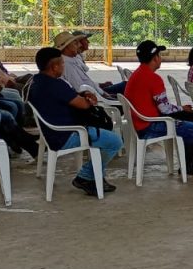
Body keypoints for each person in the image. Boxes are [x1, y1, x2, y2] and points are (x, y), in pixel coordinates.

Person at [28, 47, 123, 196]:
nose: (63, 66)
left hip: (51, 133)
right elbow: (83, 105)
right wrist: (88, 99)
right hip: (66, 135)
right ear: (55, 67)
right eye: (62, 63)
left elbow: (71, 97)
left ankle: (95, 176)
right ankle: (86, 176)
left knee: (103, 136)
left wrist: (82, 94)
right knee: (115, 142)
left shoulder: (36, 81)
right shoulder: (55, 85)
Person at [124, 40, 193, 176]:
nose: (160, 58)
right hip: (148, 126)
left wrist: (181, 109)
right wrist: (181, 108)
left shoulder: (136, 74)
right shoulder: (153, 78)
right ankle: (189, 165)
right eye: (160, 55)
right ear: (155, 58)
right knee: (191, 128)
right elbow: (165, 109)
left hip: (139, 123)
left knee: (186, 118)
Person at [54, 31, 112, 99]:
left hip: (99, 95)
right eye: (75, 43)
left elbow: (86, 83)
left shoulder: (71, 60)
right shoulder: (67, 65)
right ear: (67, 47)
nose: (79, 45)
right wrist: (105, 96)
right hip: (96, 100)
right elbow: (81, 90)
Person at [73, 30, 126, 95]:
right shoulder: (73, 61)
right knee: (125, 85)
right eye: (86, 40)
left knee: (125, 85)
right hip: (96, 94)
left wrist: (100, 85)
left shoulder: (78, 57)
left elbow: (86, 82)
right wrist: (103, 93)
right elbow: (81, 86)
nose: (88, 42)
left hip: (97, 91)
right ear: (79, 42)